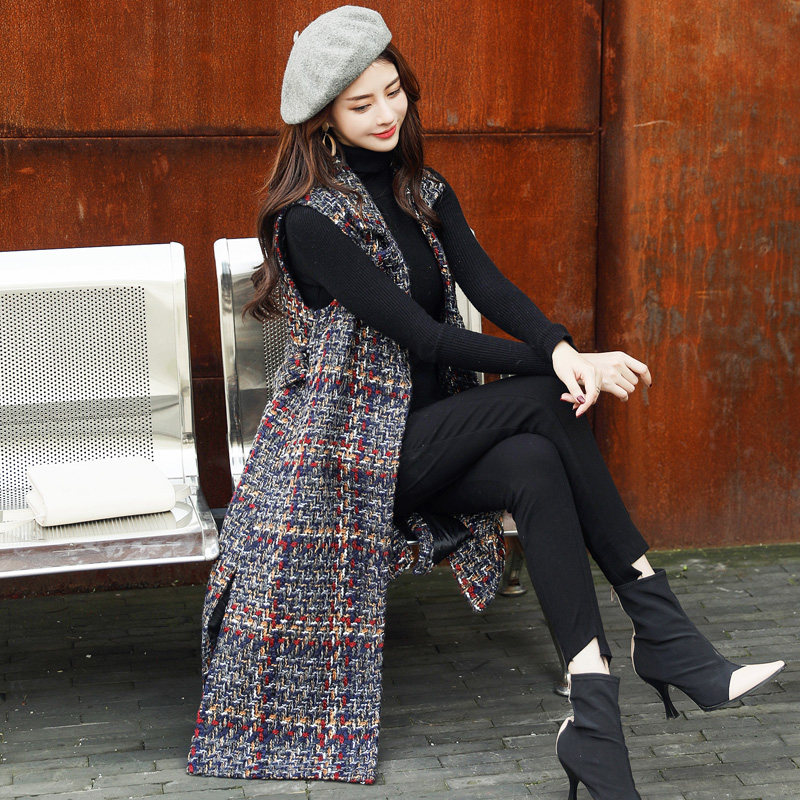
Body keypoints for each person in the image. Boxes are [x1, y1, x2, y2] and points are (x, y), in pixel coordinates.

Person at [187, 6, 785, 795]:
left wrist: (558, 343)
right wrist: (566, 360)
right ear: (323, 120)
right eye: (361, 104)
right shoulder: (311, 221)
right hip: (345, 460)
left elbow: (490, 286)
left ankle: (595, 722)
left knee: (536, 459)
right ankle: (662, 628)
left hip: (431, 437)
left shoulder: (423, 190)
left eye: (393, 92)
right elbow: (424, 338)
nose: (385, 113)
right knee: (541, 396)